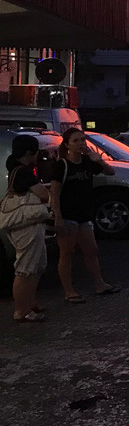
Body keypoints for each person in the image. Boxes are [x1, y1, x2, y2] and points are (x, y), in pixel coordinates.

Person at [50, 128, 119, 303]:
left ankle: (100, 284)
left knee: (91, 250)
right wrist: (57, 216)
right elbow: (55, 192)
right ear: (67, 145)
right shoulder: (62, 165)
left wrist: (100, 161)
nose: (81, 144)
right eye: (76, 141)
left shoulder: (88, 162)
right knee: (67, 253)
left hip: (84, 214)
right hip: (67, 214)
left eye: (82, 140)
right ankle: (69, 291)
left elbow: (111, 172)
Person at [5, 134, 51, 322]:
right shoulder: (23, 172)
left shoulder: (16, 168)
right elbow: (43, 194)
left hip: (30, 223)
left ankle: (29, 303)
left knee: (35, 265)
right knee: (25, 268)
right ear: (29, 152)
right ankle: (21, 310)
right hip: (26, 225)